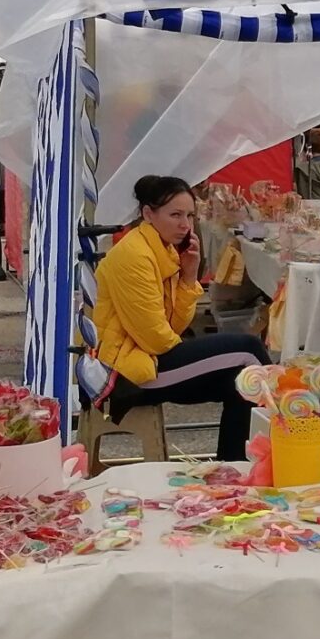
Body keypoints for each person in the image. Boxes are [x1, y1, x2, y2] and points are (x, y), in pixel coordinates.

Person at [92, 175, 273, 461]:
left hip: (144, 357)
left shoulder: (161, 250)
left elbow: (173, 326)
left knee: (241, 381)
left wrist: (189, 276)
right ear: (148, 214)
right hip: (125, 372)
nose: (185, 225)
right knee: (248, 350)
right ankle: (284, 438)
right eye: (175, 215)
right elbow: (156, 339)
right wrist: (193, 354)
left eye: (189, 215)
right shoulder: (135, 256)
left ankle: (233, 466)